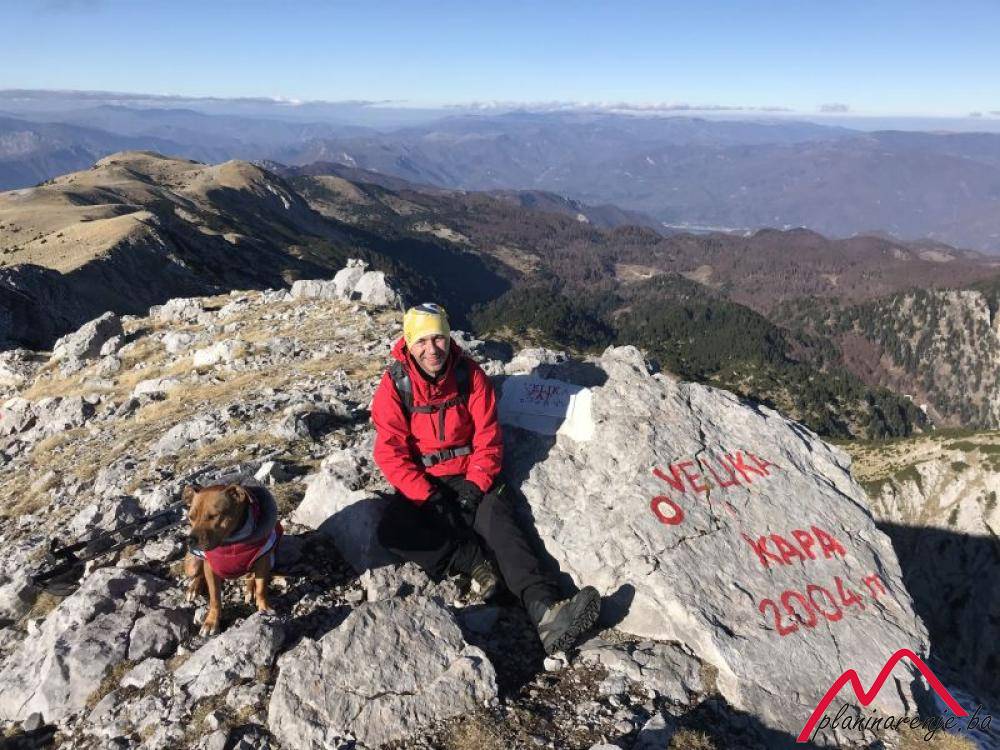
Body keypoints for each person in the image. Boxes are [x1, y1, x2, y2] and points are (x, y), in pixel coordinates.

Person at [372, 302, 600, 655]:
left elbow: (488, 439)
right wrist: (428, 496)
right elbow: (390, 452)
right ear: (409, 343)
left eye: (438, 339)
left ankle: (545, 612)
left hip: (471, 475)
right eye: (422, 341)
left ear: (449, 338)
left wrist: (475, 488)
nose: (432, 349)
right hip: (426, 483)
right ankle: (473, 562)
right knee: (393, 530)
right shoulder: (395, 385)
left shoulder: (469, 375)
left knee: (501, 525)